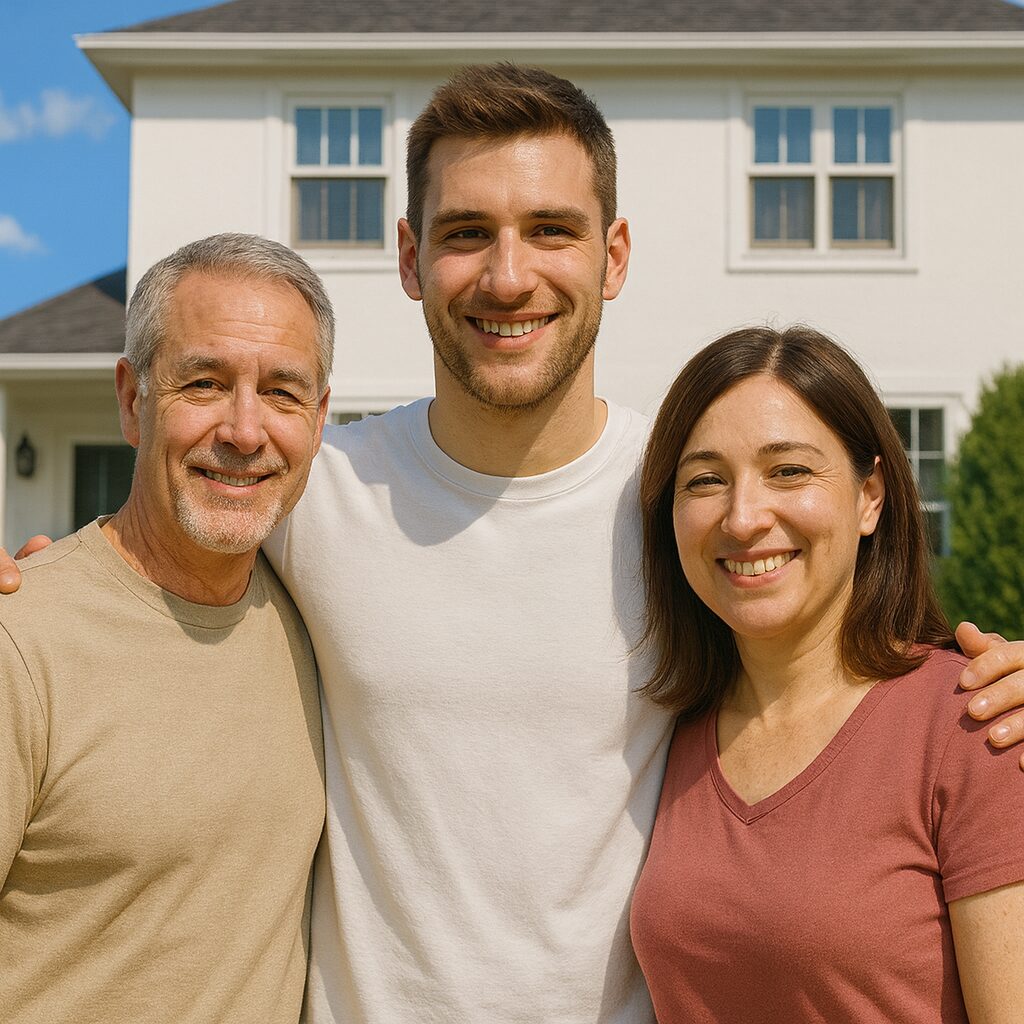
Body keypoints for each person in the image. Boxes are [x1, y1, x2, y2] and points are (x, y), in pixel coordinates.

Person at [3, 66, 1024, 1024]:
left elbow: (834, 674)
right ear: (409, 257)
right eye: (466, 233)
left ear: (612, 256)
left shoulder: (688, 508)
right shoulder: (313, 487)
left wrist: (993, 685)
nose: (507, 275)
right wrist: (35, 590)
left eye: (549, 230)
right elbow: (153, 562)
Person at [630, 325, 1024, 1023]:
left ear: (870, 496)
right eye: (706, 480)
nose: (743, 518)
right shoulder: (662, 732)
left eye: (788, 471)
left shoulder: (976, 725)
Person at [0, 233, 331, 1023]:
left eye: (283, 393)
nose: (244, 431)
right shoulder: (23, 643)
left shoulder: (322, 623)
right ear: (131, 400)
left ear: (320, 419)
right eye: (204, 383)